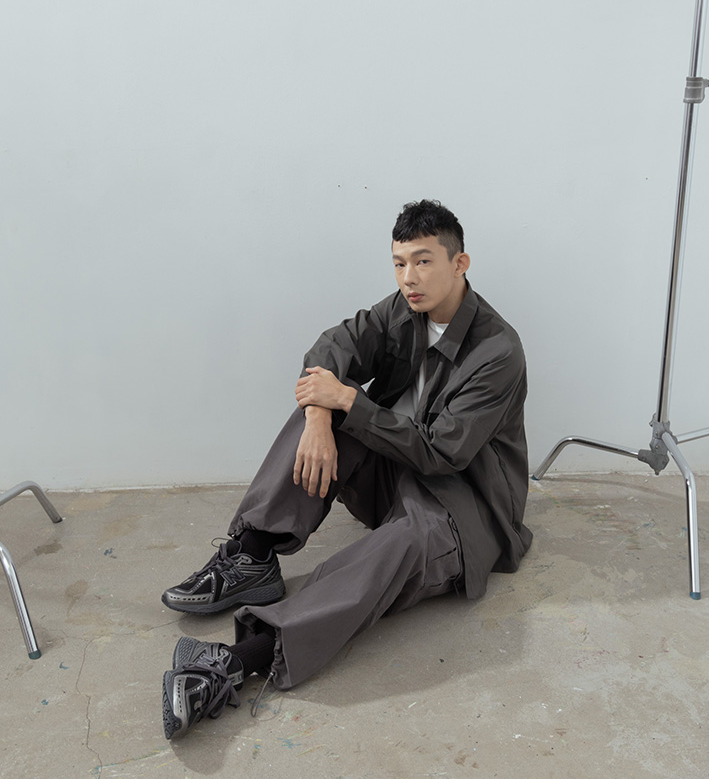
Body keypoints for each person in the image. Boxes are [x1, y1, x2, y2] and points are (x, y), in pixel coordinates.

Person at [161, 200, 532, 740]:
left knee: (399, 537)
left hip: (465, 510)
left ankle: (237, 661)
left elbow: (442, 454)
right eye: (399, 263)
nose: (409, 278)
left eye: (423, 261)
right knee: (330, 404)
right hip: (398, 475)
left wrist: (349, 403)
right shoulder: (405, 309)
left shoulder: (498, 350)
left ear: (460, 263)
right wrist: (320, 416)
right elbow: (330, 348)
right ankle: (253, 555)